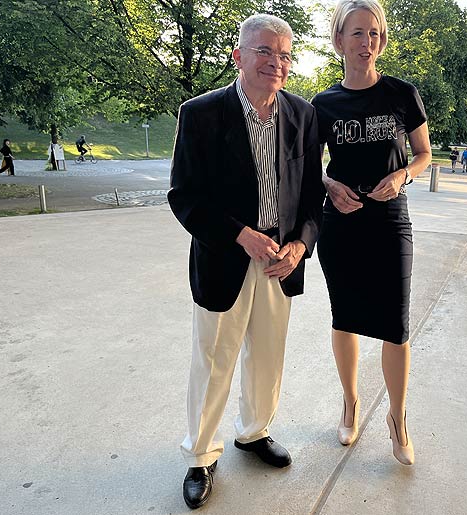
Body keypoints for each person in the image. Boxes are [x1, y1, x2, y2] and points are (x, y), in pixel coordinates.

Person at [168, 14, 324, 510]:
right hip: (224, 257)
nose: (275, 62)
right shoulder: (200, 114)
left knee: (269, 355)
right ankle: (200, 455)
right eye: (264, 51)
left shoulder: (302, 115)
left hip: (282, 261)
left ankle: (254, 433)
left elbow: (312, 196)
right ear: (238, 56)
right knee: (214, 359)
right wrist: (240, 235)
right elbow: (185, 197)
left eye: (284, 54)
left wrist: (299, 245)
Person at [311, 0, 432, 466]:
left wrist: (403, 176)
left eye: (375, 34)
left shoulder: (402, 93)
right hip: (340, 222)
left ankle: (398, 419)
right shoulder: (323, 104)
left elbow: (423, 154)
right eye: (357, 33)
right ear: (339, 40)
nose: (367, 43)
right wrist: (327, 183)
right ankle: (351, 402)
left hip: (390, 221)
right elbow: (308, 165)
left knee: (396, 326)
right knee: (345, 318)